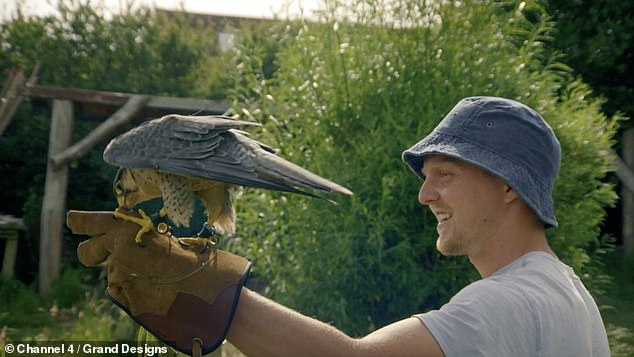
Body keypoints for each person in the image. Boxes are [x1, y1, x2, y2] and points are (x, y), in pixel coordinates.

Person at [73, 96, 611, 356]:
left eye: (445, 175)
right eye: (426, 178)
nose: (425, 195)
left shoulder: (504, 304)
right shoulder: (570, 295)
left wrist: (200, 287)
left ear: (509, 185)